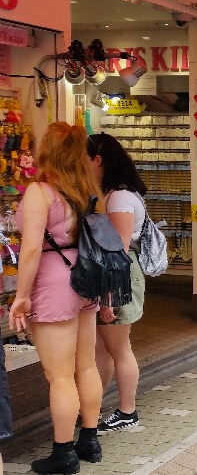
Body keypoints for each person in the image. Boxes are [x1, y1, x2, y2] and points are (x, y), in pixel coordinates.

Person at [9, 123, 105, 473]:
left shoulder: (41, 191)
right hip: (87, 278)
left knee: (60, 376)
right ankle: (89, 440)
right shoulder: (85, 188)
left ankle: (63, 453)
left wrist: (21, 296)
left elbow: (32, 247)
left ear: (47, 151)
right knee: (87, 365)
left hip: (53, 282)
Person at [86, 133, 147, 435]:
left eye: (84, 160)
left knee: (119, 347)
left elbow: (118, 249)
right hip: (114, 277)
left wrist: (108, 296)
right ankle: (92, 408)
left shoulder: (120, 197)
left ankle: (127, 411)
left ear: (98, 160)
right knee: (102, 347)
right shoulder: (112, 194)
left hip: (119, 278)